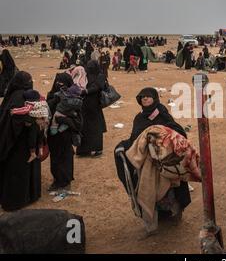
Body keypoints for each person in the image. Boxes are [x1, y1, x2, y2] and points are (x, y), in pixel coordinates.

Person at [114, 88, 192, 233]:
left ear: (155, 98)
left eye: (148, 96)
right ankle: (155, 220)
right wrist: (123, 146)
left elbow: (177, 131)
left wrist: (160, 135)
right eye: (142, 97)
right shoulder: (140, 117)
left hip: (164, 163)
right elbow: (134, 139)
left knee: (170, 188)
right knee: (149, 190)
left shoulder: (162, 113)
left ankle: (175, 214)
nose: (145, 99)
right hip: (147, 165)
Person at [0, 72, 42, 211]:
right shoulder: (19, 97)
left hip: (25, 142)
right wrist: (29, 121)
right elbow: (15, 120)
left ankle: (30, 195)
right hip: (18, 144)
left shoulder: (18, 95)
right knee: (18, 172)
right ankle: (16, 201)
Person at [47, 74, 83, 191]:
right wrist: (55, 100)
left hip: (66, 134)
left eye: (62, 83)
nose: (59, 85)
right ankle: (57, 180)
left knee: (66, 158)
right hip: (53, 135)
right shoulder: (52, 95)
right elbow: (46, 111)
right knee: (55, 158)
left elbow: (78, 120)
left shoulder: (73, 98)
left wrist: (65, 119)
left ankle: (66, 181)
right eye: (58, 83)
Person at [76, 61, 107, 157]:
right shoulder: (87, 75)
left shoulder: (97, 75)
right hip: (87, 106)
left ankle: (93, 150)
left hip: (92, 105)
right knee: (87, 128)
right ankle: (86, 150)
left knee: (91, 128)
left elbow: (98, 87)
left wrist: (86, 91)